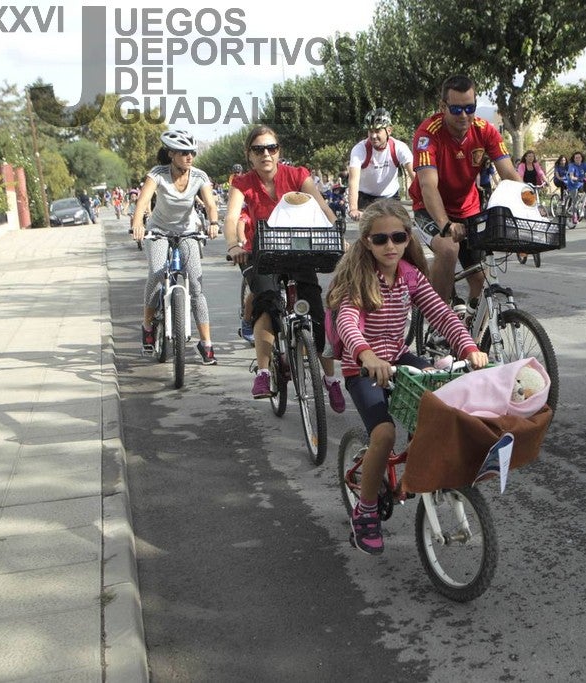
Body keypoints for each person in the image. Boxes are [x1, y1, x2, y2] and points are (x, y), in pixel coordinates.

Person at [325, 200, 489, 554]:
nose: (390, 246)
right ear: (367, 241)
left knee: (438, 400)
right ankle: (365, 511)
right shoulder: (359, 278)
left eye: (397, 237)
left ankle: (418, 468)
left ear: (407, 238)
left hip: (399, 359)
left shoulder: (411, 276)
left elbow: (441, 314)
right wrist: (365, 354)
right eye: (380, 239)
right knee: (384, 433)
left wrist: (468, 347)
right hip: (363, 368)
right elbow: (348, 323)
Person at [223, 125, 347, 412]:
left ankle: (330, 380)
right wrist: (233, 245)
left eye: (271, 148)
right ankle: (264, 374)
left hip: (299, 250)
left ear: (279, 152)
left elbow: (322, 207)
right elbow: (231, 218)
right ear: (249, 155)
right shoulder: (242, 183)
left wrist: (338, 238)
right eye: (258, 149)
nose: (266, 154)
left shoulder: (297, 175)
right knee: (266, 303)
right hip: (261, 253)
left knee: (316, 312)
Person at [409, 74, 520, 304]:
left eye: (470, 108)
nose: (465, 116)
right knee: (449, 249)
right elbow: (428, 185)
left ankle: (472, 330)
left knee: (481, 279)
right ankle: (439, 323)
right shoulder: (428, 133)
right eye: (457, 109)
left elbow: (509, 174)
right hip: (430, 208)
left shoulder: (485, 130)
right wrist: (445, 225)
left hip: (468, 209)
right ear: (443, 106)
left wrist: (530, 210)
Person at [130, 130, 221, 365]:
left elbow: (211, 205)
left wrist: (213, 223)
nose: (189, 157)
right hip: (158, 231)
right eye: (183, 153)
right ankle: (148, 326)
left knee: (196, 285)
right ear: (171, 154)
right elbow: (142, 202)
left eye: (191, 152)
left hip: (187, 231)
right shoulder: (157, 174)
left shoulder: (199, 176)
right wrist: (138, 224)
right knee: (157, 272)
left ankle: (207, 344)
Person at [347, 108, 415, 222]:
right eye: (370, 131)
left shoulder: (399, 147)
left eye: (377, 131)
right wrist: (353, 209)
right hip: (366, 198)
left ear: (389, 130)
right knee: (370, 235)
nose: (373, 136)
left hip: (391, 197)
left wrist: (423, 202)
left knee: (398, 230)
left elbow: (415, 175)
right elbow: (353, 181)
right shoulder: (360, 149)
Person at [565, 151, 586, 224]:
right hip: (573, 184)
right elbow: (571, 175)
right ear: (573, 159)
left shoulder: (584, 165)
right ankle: (574, 215)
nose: (578, 159)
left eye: (579, 157)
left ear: (581, 158)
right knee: (575, 201)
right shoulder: (572, 166)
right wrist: (574, 178)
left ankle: (584, 207)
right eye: (576, 158)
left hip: (581, 183)